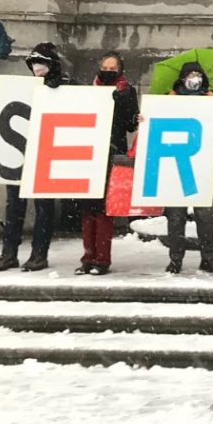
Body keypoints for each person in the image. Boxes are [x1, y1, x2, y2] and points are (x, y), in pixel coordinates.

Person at [0, 42, 66, 272]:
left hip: (46, 156)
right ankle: (9, 252)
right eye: (34, 63)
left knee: (43, 208)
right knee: (14, 206)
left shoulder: (65, 86)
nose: (37, 67)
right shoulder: (22, 88)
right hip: (20, 156)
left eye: (42, 63)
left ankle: (38, 254)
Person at [163, 59, 213, 276]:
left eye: (198, 75)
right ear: (182, 79)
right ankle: (175, 258)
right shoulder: (169, 99)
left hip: (203, 162)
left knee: (205, 214)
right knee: (176, 215)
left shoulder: (211, 98)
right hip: (176, 163)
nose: (194, 79)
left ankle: (208, 258)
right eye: (190, 75)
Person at [76, 51, 137, 275]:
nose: (109, 72)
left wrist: (122, 104)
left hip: (111, 151)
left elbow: (131, 125)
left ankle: (102, 258)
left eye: (114, 69)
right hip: (89, 150)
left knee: (103, 208)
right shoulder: (89, 90)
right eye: (106, 68)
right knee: (87, 206)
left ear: (120, 70)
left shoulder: (127, 90)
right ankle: (87, 256)